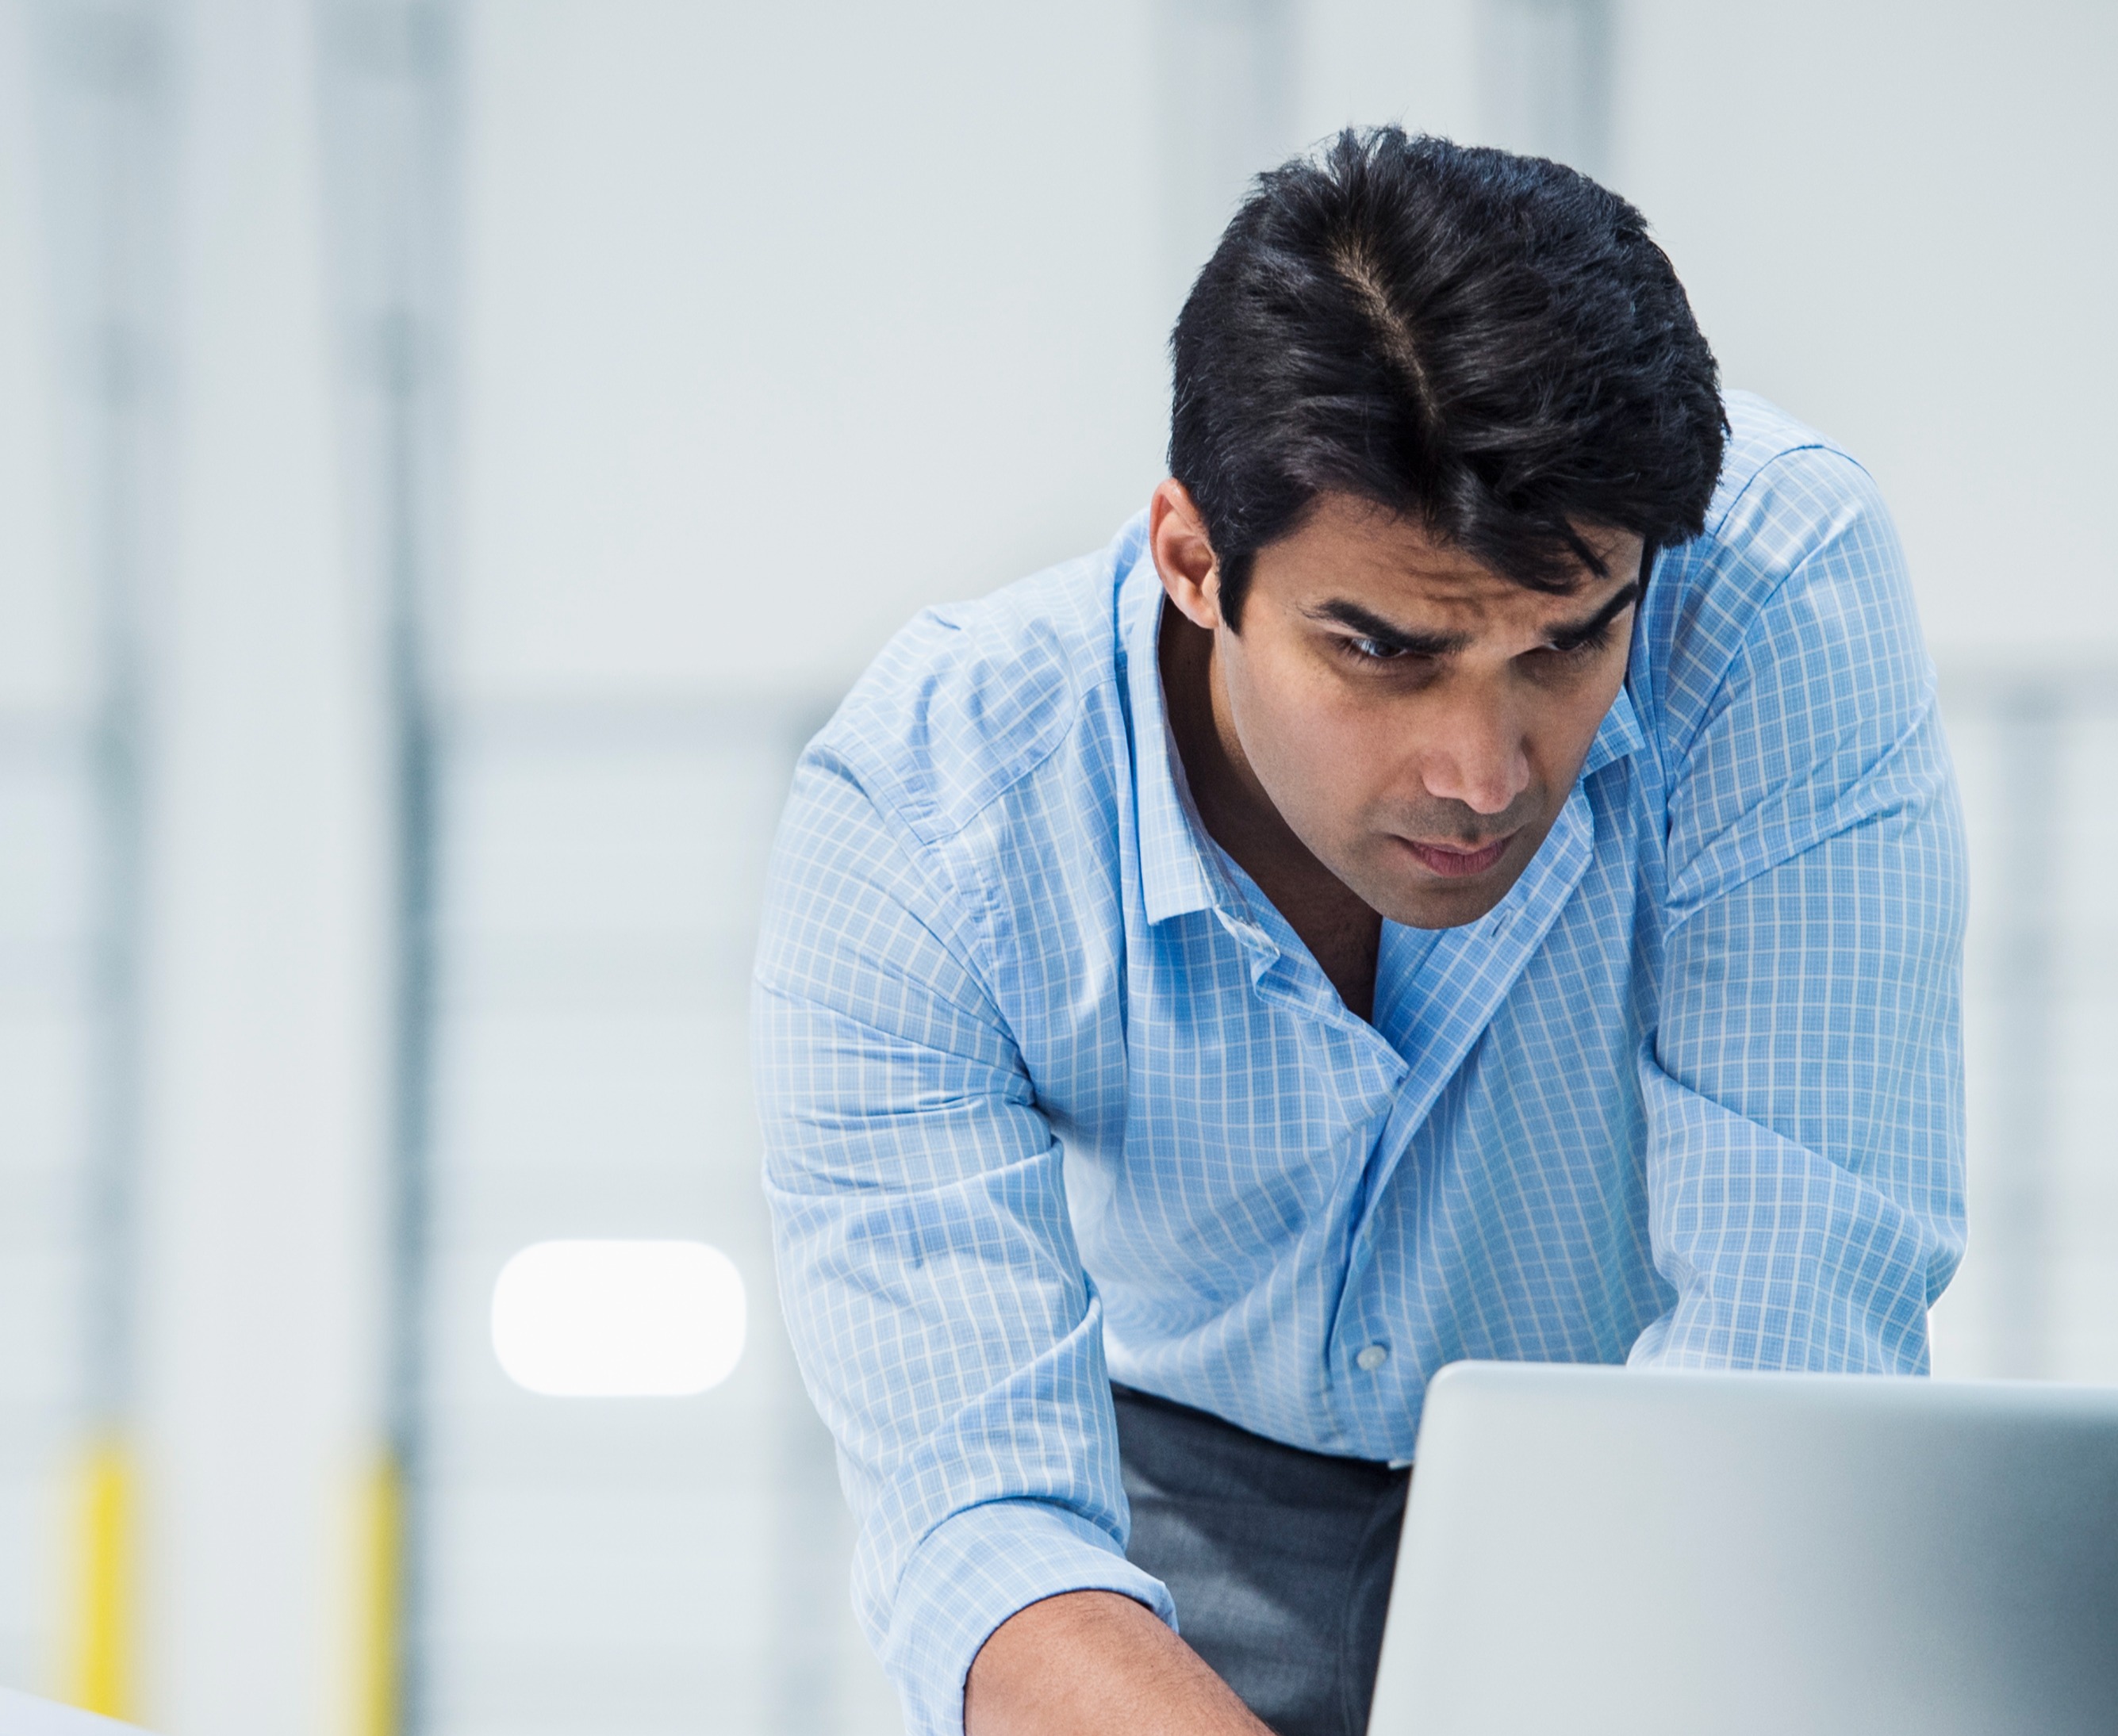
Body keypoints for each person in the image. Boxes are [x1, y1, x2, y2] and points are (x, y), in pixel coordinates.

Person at [754, 128, 1965, 1736]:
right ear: (1196, 558)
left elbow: (1791, 1322)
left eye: (1566, 646)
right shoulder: (926, 820)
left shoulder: (1772, 591)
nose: (1485, 776)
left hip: (1639, 1456)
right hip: (1178, 1496)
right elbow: (985, 1534)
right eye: (1382, 650)